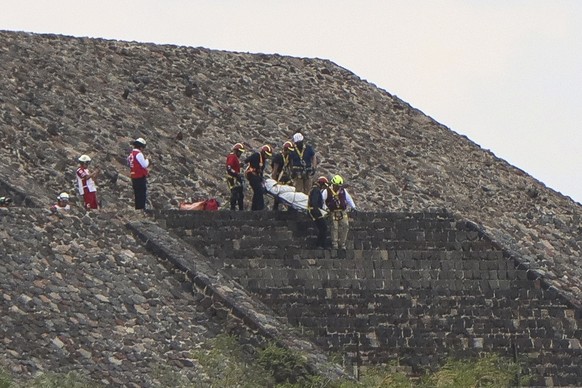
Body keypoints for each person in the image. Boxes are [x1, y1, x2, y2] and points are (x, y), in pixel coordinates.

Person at [322, 174, 357, 250]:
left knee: (345, 226)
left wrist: (353, 207)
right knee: (334, 227)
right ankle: (334, 244)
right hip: (332, 211)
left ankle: (342, 243)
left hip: (342, 211)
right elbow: (322, 200)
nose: (338, 187)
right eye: (337, 185)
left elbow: (348, 199)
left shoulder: (343, 191)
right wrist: (325, 208)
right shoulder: (327, 191)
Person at [244, 144, 272, 211]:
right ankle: (260, 207)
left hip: (257, 177)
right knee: (259, 190)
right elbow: (247, 160)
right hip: (252, 175)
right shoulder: (256, 155)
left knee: (257, 192)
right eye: (266, 154)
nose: (267, 156)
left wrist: (261, 179)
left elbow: (261, 170)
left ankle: (254, 208)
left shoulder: (263, 159)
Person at [127, 137, 151, 210]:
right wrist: (148, 159)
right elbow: (144, 165)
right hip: (140, 176)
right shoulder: (138, 154)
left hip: (134, 176)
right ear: (141, 147)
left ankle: (138, 208)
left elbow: (129, 162)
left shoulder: (131, 154)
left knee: (137, 194)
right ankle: (141, 208)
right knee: (141, 194)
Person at [271, 140, 294, 210]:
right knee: (278, 193)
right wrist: (274, 182)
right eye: (289, 150)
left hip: (285, 176)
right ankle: (275, 209)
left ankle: (290, 208)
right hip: (278, 176)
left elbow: (291, 167)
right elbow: (274, 171)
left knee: (291, 190)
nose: (290, 152)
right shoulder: (278, 157)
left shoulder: (289, 156)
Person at [308, 176, 329, 249]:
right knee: (323, 227)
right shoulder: (316, 190)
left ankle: (320, 244)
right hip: (315, 211)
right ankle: (320, 244)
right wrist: (318, 211)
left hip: (314, 210)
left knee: (322, 228)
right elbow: (314, 202)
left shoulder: (314, 189)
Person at [226, 143, 245, 211]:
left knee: (240, 195)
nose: (240, 154)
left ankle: (241, 209)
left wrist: (239, 165)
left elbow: (234, 166)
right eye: (239, 152)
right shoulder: (232, 156)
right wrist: (236, 174)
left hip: (236, 178)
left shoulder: (235, 157)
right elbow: (229, 168)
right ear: (236, 151)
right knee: (235, 194)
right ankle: (232, 209)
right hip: (232, 178)